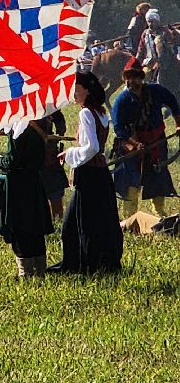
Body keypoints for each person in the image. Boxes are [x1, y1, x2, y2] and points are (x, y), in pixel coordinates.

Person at [56, 71, 123, 275]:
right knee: (96, 220)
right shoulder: (101, 113)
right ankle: (96, 263)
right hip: (100, 173)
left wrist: (69, 154)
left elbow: (92, 147)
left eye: (76, 89)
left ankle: (83, 265)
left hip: (89, 174)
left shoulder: (86, 112)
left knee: (77, 224)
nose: (73, 93)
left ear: (86, 90)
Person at [110, 56, 180, 217]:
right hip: (132, 145)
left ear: (141, 78)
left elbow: (173, 103)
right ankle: (130, 217)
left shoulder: (156, 90)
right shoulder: (122, 100)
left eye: (134, 77)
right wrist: (134, 144)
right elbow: (119, 128)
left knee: (158, 175)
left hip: (156, 142)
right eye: (128, 78)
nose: (131, 81)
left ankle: (159, 213)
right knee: (131, 181)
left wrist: (178, 123)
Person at [0, 117, 55, 279]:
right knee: (35, 228)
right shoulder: (38, 128)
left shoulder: (20, 130)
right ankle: (39, 271)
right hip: (34, 183)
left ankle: (26, 274)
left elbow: (12, 162)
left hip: (19, 186)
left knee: (20, 228)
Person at [138, 9, 180, 93]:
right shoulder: (145, 34)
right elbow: (140, 50)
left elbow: (171, 47)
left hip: (167, 62)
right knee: (143, 78)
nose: (150, 24)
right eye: (149, 21)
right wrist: (136, 63)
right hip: (150, 63)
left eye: (152, 21)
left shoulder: (165, 32)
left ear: (157, 21)